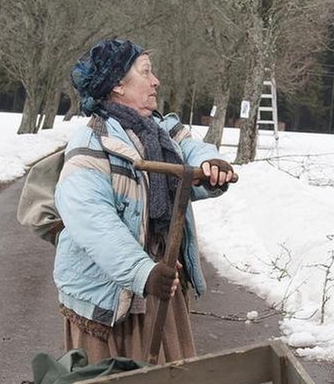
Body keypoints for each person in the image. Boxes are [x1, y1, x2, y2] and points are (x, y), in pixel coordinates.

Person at [55, 38, 234, 365]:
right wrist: (143, 273)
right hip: (110, 300)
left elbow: (191, 151)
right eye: (146, 73)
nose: (156, 81)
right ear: (118, 85)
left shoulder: (161, 131)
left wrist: (212, 164)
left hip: (160, 286)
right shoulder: (92, 142)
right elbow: (92, 221)